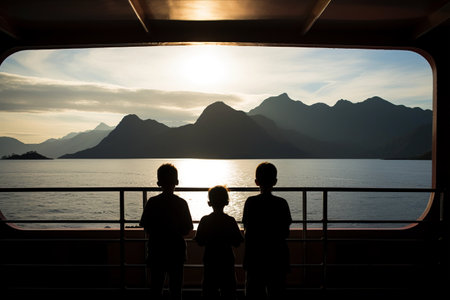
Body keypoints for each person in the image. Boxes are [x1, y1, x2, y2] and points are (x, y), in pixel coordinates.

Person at [139, 163, 193, 300]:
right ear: (177, 182)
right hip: (176, 251)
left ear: (158, 183)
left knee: (156, 287)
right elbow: (188, 228)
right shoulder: (181, 203)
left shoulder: (152, 202)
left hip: (156, 250)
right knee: (176, 288)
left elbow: (144, 224)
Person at [242, 162, 292, 299]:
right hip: (277, 257)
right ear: (275, 182)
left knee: (254, 293)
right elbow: (286, 232)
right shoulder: (282, 203)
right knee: (276, 292)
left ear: (256, 182)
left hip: (255, 257)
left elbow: (247, 230)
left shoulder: (250, 202)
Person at [194, 185, 244, 299]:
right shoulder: (230, 221)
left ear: (209, 203)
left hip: (210, 259)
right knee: (229, 291)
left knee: (209, 291)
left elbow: (200, 241)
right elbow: (237, 241)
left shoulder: (205, 220)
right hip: (227, 260)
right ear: (226, 202)